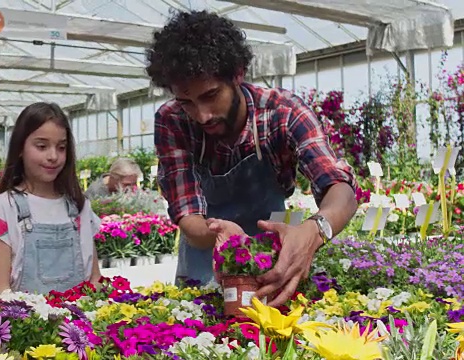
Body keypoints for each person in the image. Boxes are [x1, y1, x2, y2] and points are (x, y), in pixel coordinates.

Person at [146, 10, 358, 306]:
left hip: (273, 263)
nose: (201, 115)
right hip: (203, 259)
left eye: (210, 95)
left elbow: (340, 189)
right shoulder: (172, 120)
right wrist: (224, 237)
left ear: (237, 74)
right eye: (187, 102)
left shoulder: (282, 113)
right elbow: (189, 217)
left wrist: (314, 230)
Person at [0, 102, 103, 295]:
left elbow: (95, 278)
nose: (53, 156)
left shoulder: (79, 206)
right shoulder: (5, 208)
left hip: (81, 321)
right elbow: (1, 290)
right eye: (42, 146)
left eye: (61, 147)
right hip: (28, 321)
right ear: (20, 148)